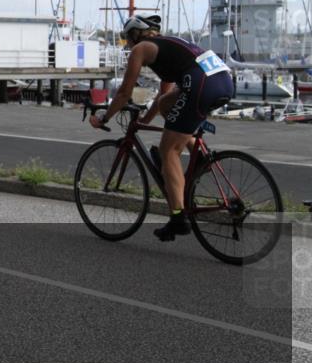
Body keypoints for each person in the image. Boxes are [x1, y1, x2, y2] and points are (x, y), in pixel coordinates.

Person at [89, 15, 235, 242]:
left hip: (201, 85)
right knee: (168, 105)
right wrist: (145, 120)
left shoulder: (141, 49)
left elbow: (125, 92)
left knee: (168, 150)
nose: (128, 43)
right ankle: (198, 155)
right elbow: (163, 98)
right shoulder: (168, 46)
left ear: (135, 35)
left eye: (127, 38)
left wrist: (104, 118)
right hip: (223, 81)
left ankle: (178, 218)